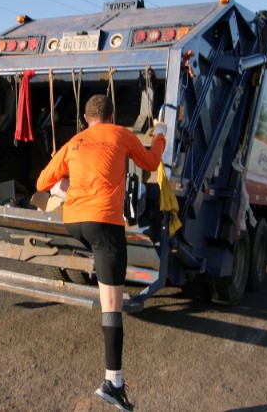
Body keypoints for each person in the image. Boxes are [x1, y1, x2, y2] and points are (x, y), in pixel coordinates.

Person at [36, 94, 167, 411]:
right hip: (104, 224)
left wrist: (66, 186)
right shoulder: (121, 133)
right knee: (112, 304)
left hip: (75, 222)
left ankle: (114, 382)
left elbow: (42, 182)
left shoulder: (74, 141)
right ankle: (114, 383)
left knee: (102, 265)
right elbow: (151, 162)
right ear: (112, 115)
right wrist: (161, 134)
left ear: (85, 118)